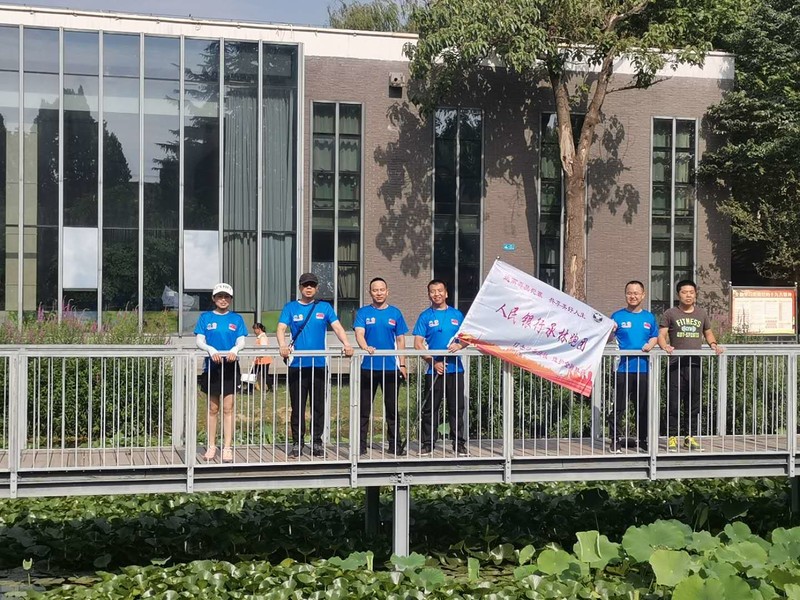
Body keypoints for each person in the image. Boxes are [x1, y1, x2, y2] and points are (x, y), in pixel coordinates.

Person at [277, 272, 354, 458]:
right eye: (305, 285)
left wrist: (347, 343)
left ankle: (317, 442)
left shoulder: (324, 307)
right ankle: (297, 442)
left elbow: (337, 327)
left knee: (318, 406)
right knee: (297, 406)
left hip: (319, 364)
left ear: (317, 288)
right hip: (297, 365)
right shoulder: (290, 307)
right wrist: (282, 345)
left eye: (312, 285)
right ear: (300, 288)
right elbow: (281, 328)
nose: (309, 288)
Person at [657, 279, 724, 452]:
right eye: (684, 292)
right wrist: (665, 347)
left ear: (695, 294)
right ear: (678, 294)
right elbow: (661, 335)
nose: (688, 295)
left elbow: (708, 333)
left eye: (691, 292)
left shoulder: (701, 314)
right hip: (675, 364)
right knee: (673, 402)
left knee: (693, 401)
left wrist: (714, 345)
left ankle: (690, 436)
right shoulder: (670, 313)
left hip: (694, 364)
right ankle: (671, 436)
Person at [413, 279, 469, 457]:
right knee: (430, 408)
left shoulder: (457, 314)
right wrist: (433, 362)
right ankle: (428, 443)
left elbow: (466, 338)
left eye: (439, 291)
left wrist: (459, 345)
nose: (436, 294)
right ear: (428, 294)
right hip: (433, 370)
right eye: (432, 291)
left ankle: (458, 443)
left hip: (455, 369)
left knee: (456, 408)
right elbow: (418, 343)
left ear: (446, 293)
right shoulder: (425, 316)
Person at [354, 277, 409, 456]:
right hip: (368, 368)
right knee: (364, 409)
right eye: (375, 290)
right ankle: (360, 445)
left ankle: (395, 445)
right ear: (370, 292)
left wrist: (402, 364)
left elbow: (400, 340)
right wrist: (365, 347)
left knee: (392, 409)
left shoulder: (395, 313)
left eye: (381, 290)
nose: (379, 293)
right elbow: (359, 333)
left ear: (387, 291)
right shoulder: (363, 312)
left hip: (391, 369)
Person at [195, 282, 247, 463]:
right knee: (213, 408)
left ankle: (227, 448)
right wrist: (210, 349)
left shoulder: (236, 319)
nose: (223, 300)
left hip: (230, 366)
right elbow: (199, 340)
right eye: (219, 296)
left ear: (230, 299)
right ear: (214, 298)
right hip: (212, 366)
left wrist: (235, 350)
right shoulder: (205, 317)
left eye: (226, 297)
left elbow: (241, 340)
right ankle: (211, 446)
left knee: (228, 408)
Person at [609, 281, 658, 453]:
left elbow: (654, 336)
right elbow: (608, 339)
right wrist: (610, 330)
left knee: (643, 407)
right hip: (622, 369)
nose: (633, 296)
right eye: (630, 293)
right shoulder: (617, 316)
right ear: (625, 295)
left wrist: (650, 345)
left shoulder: (649, 317)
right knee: (619, 407)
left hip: (643, 369)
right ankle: (615, 440)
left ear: (643, 295)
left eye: (636, 293)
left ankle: (643, 440)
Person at [252, 322, 272, 392]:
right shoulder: (260, 337)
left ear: (259, 329)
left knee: (263, 374)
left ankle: (270, 388)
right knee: (255, 373)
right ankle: (250, 388)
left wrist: (259, 355)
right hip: (260, 359)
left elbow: (263, 348)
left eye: (255, 329)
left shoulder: (262, 337)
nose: (254, 331)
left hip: (263, 359)